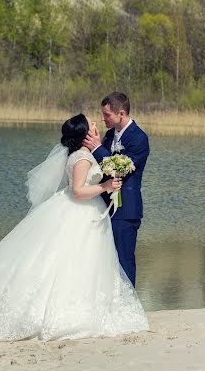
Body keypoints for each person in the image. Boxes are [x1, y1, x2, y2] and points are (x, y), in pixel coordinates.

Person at [0, 114, 148, 342]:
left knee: (69, 259)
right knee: (74, 260)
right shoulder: (83, 158)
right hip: (81, 210)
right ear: (85, 134)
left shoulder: (81, 154)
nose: (97, 125)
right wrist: (105, 186)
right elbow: (77, 190)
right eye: (92, 123)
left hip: (80, 210)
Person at [84, 92, 149, 287]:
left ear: (121, 113)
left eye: (107, 115)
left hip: (126, 209)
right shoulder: (111, 134)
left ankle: (129, 307)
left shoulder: (139, 138)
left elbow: (120, 169)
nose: (103, 118)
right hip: (104, 205)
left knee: (124, 259)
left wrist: (97, 148)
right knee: (105, 258)